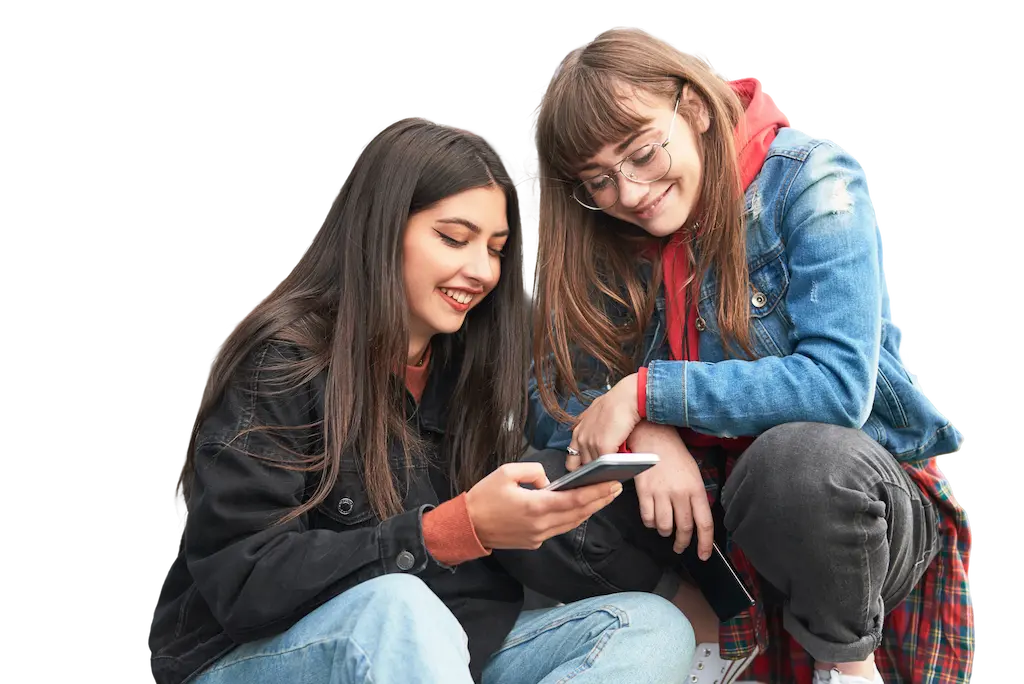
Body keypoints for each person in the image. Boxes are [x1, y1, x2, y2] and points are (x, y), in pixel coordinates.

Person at [144, 115, 697, 684]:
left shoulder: (472, 366)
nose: (481, 271)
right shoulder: (282, 362)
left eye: (497, 249)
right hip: (262, 657)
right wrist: (452, 530)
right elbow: (243, 578)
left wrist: (645, 427)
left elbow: (569, 426)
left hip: (446, 650)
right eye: (453, 239)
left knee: (649, 626)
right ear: (383, 229)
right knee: (398, 609)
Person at [510, 26, 974, 684]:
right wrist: (644, 434)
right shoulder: (608, 236)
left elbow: (838, 389)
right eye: (600, 180)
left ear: (693, 108)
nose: (631, 192)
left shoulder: (811, 181)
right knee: (534, 484)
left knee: (794, 465)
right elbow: (551, 403)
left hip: (846, 508)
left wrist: (649, 393)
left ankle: (846, 662)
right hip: (700, 515)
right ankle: (711, 630)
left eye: (641, 153)